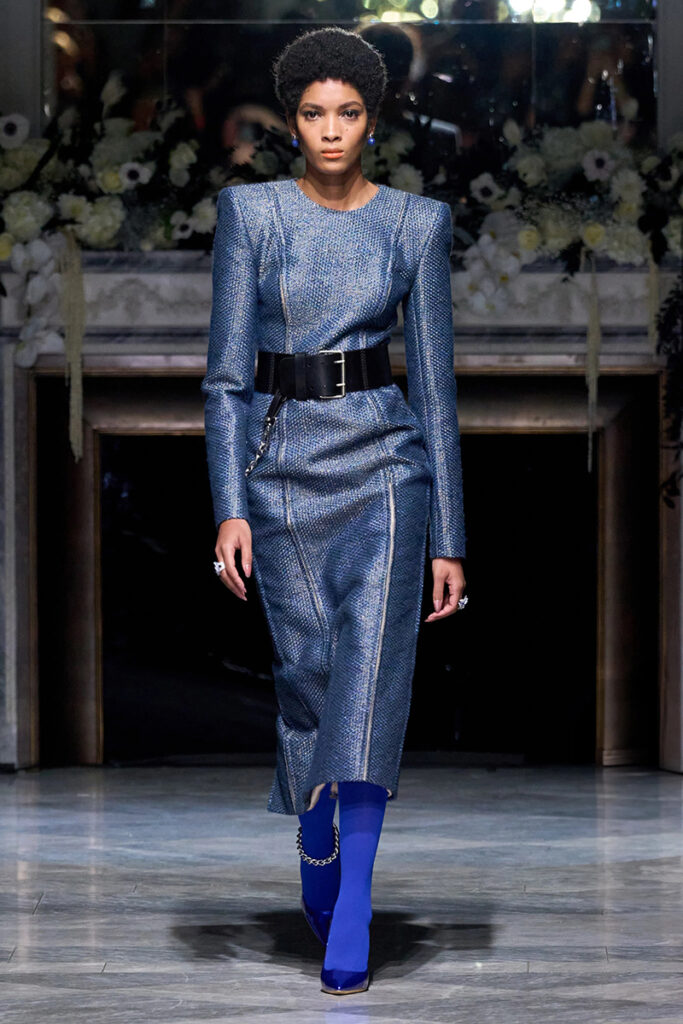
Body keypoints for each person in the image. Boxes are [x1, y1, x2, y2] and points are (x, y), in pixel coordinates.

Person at [201, 26, 468, 996]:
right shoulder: (252, 214)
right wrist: (228, 505)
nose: (328, 130)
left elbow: (434, 389)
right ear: (291, 121)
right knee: (310, 683)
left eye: (346, 113)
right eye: (312, 113)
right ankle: (317, 840)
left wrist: (449, 536)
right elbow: (225, 377)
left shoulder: (415, 224)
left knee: (370, 682)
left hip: (386, 467)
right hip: (280, 470)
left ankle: (352, 900)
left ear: (371, 119)